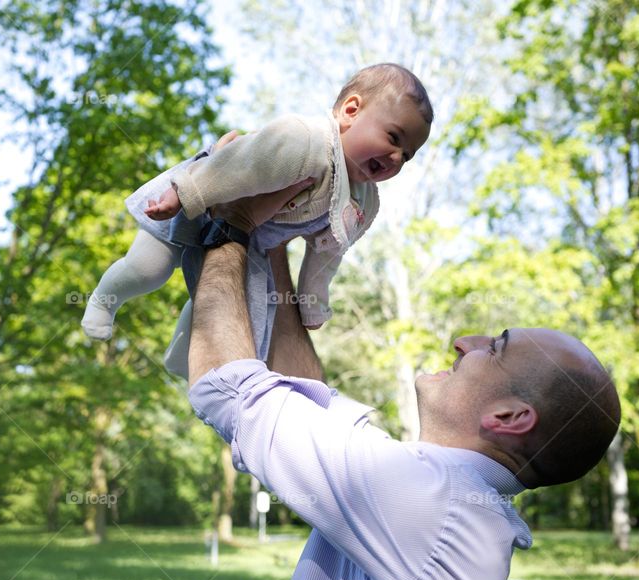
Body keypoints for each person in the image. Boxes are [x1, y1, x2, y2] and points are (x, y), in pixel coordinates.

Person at [184, 187, 622, 580]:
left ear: (509, 417)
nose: (464, 342)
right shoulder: (449, 498)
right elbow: (309, 399)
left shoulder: (433, 501)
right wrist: (274, 244)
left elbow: (227, 389)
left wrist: (232, 221)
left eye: (495, 349)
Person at [80, 63, 432, 378]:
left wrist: (312, 302)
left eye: (407, 155)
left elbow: (329, 252)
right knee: (150, 267)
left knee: (245, 309)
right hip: (203, 193)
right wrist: (182, 193)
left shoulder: (361, 201)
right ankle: (105, 298)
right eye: (393, 138)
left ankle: (185, 356)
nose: (396, 157)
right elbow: (237, 166)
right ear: (351, 111)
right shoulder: (305, 141)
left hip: (248, 240)